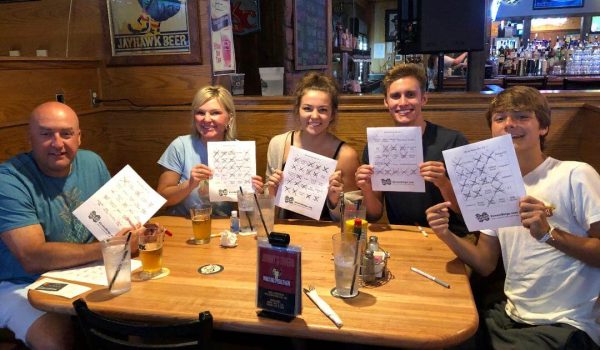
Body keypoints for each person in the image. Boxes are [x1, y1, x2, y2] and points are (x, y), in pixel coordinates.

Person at [426, 86, 600, 349]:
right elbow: (485, 263)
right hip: (509, 315)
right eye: (500, 118)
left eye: (521, 116)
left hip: (566, 324)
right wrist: (446, 234)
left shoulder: (574, 174)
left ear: (543, 128)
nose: (509, 124)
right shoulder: (495, 188)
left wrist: (549, 235)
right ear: (492, 131)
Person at [0, 102, 139, 349]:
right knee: (57, 340)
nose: (57, 143)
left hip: (84, 270)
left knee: (140, 314)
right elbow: (32, 256)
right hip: (22, 282)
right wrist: (111, 247)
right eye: (46, 134)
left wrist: (133, 234)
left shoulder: (92, 162)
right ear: (29, 138)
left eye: (66, 133)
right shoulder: (8, 180)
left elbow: (116, 222)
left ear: (79, 137)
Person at [355, 63, 469, 235]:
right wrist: (366, 188)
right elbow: (375, 214)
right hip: (402, 234)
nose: (403, 102)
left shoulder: (453, 141)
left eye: (410, 95)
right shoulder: (376, 147)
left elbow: (465, 210)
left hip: (450, 237)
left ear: (423, 98)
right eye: (395, 96)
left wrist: (443, 183)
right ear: (386, 102)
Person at [266, 72, 360, 221]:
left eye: (322, 110)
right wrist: (271, 192)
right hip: (285, 233)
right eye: (307, 108)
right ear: (298, 110)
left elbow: (353, 218)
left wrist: (335, 201)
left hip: (326, 236)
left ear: (332, 114)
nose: (314, 116)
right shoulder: (278, 144)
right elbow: (268, 210)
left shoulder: (346, 156)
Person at [157, 85, 263, 217]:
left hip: (223, 227)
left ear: (229, 118)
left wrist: (253, 193)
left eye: (215, 113)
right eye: (200, 113)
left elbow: (248, 211)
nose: (206, 119)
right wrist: (189, 185)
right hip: (183, 223)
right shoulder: (180, 146)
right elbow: (161, 200)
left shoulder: (239, 151)